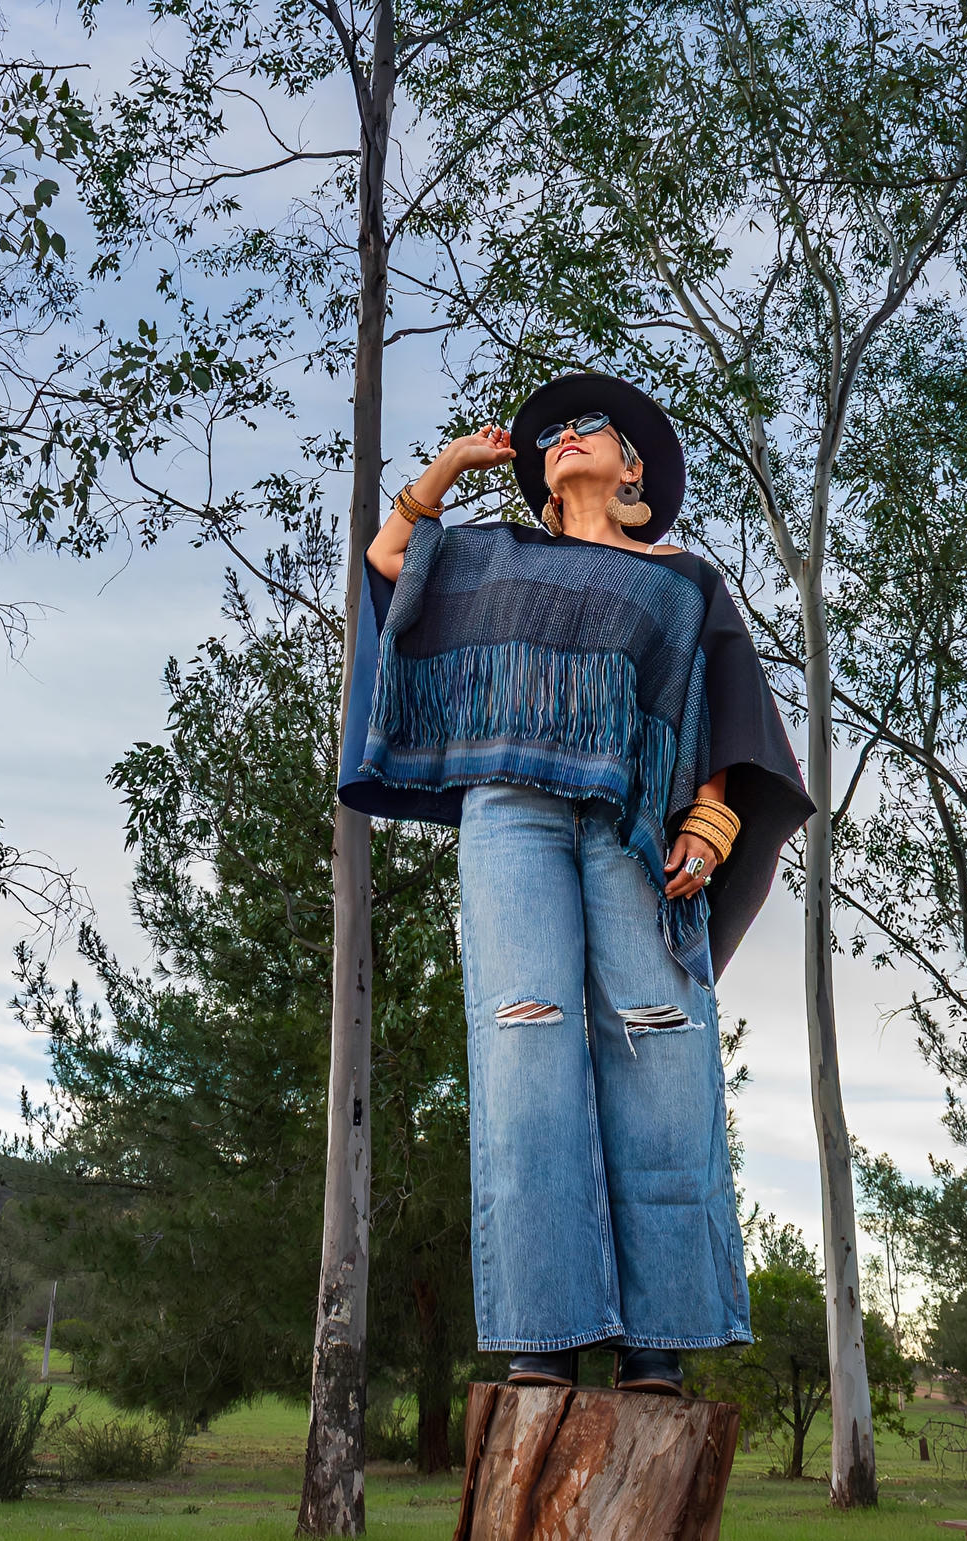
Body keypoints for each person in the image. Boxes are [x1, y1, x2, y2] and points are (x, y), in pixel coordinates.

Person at [339, 371, 815, 1393]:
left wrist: (715, 816)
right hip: (507, 808)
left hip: (630, 818)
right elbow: (387, 561)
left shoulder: (679, 577)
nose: (561, 436)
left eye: (584, 428)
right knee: (524, 1037)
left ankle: (659, 1340)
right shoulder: (489, 552)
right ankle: (545, 1333)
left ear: (631, 465)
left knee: (656, 1036)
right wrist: (450, 471)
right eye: (547, 434)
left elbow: (707, 704)